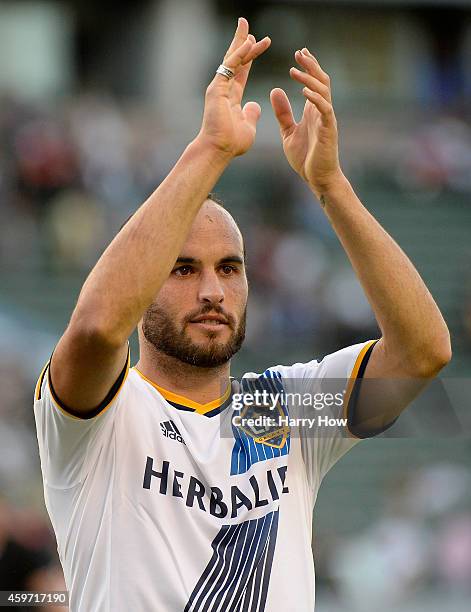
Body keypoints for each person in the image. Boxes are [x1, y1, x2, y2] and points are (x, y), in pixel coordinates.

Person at [33, 17, 451, 612]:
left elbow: (423, 352)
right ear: (145, 280)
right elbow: (98, 327)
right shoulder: (101, 414)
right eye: (182, 269)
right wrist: (210, 149)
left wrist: (329, 184)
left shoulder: (279, 410)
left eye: (230, 268)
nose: (212, 291)